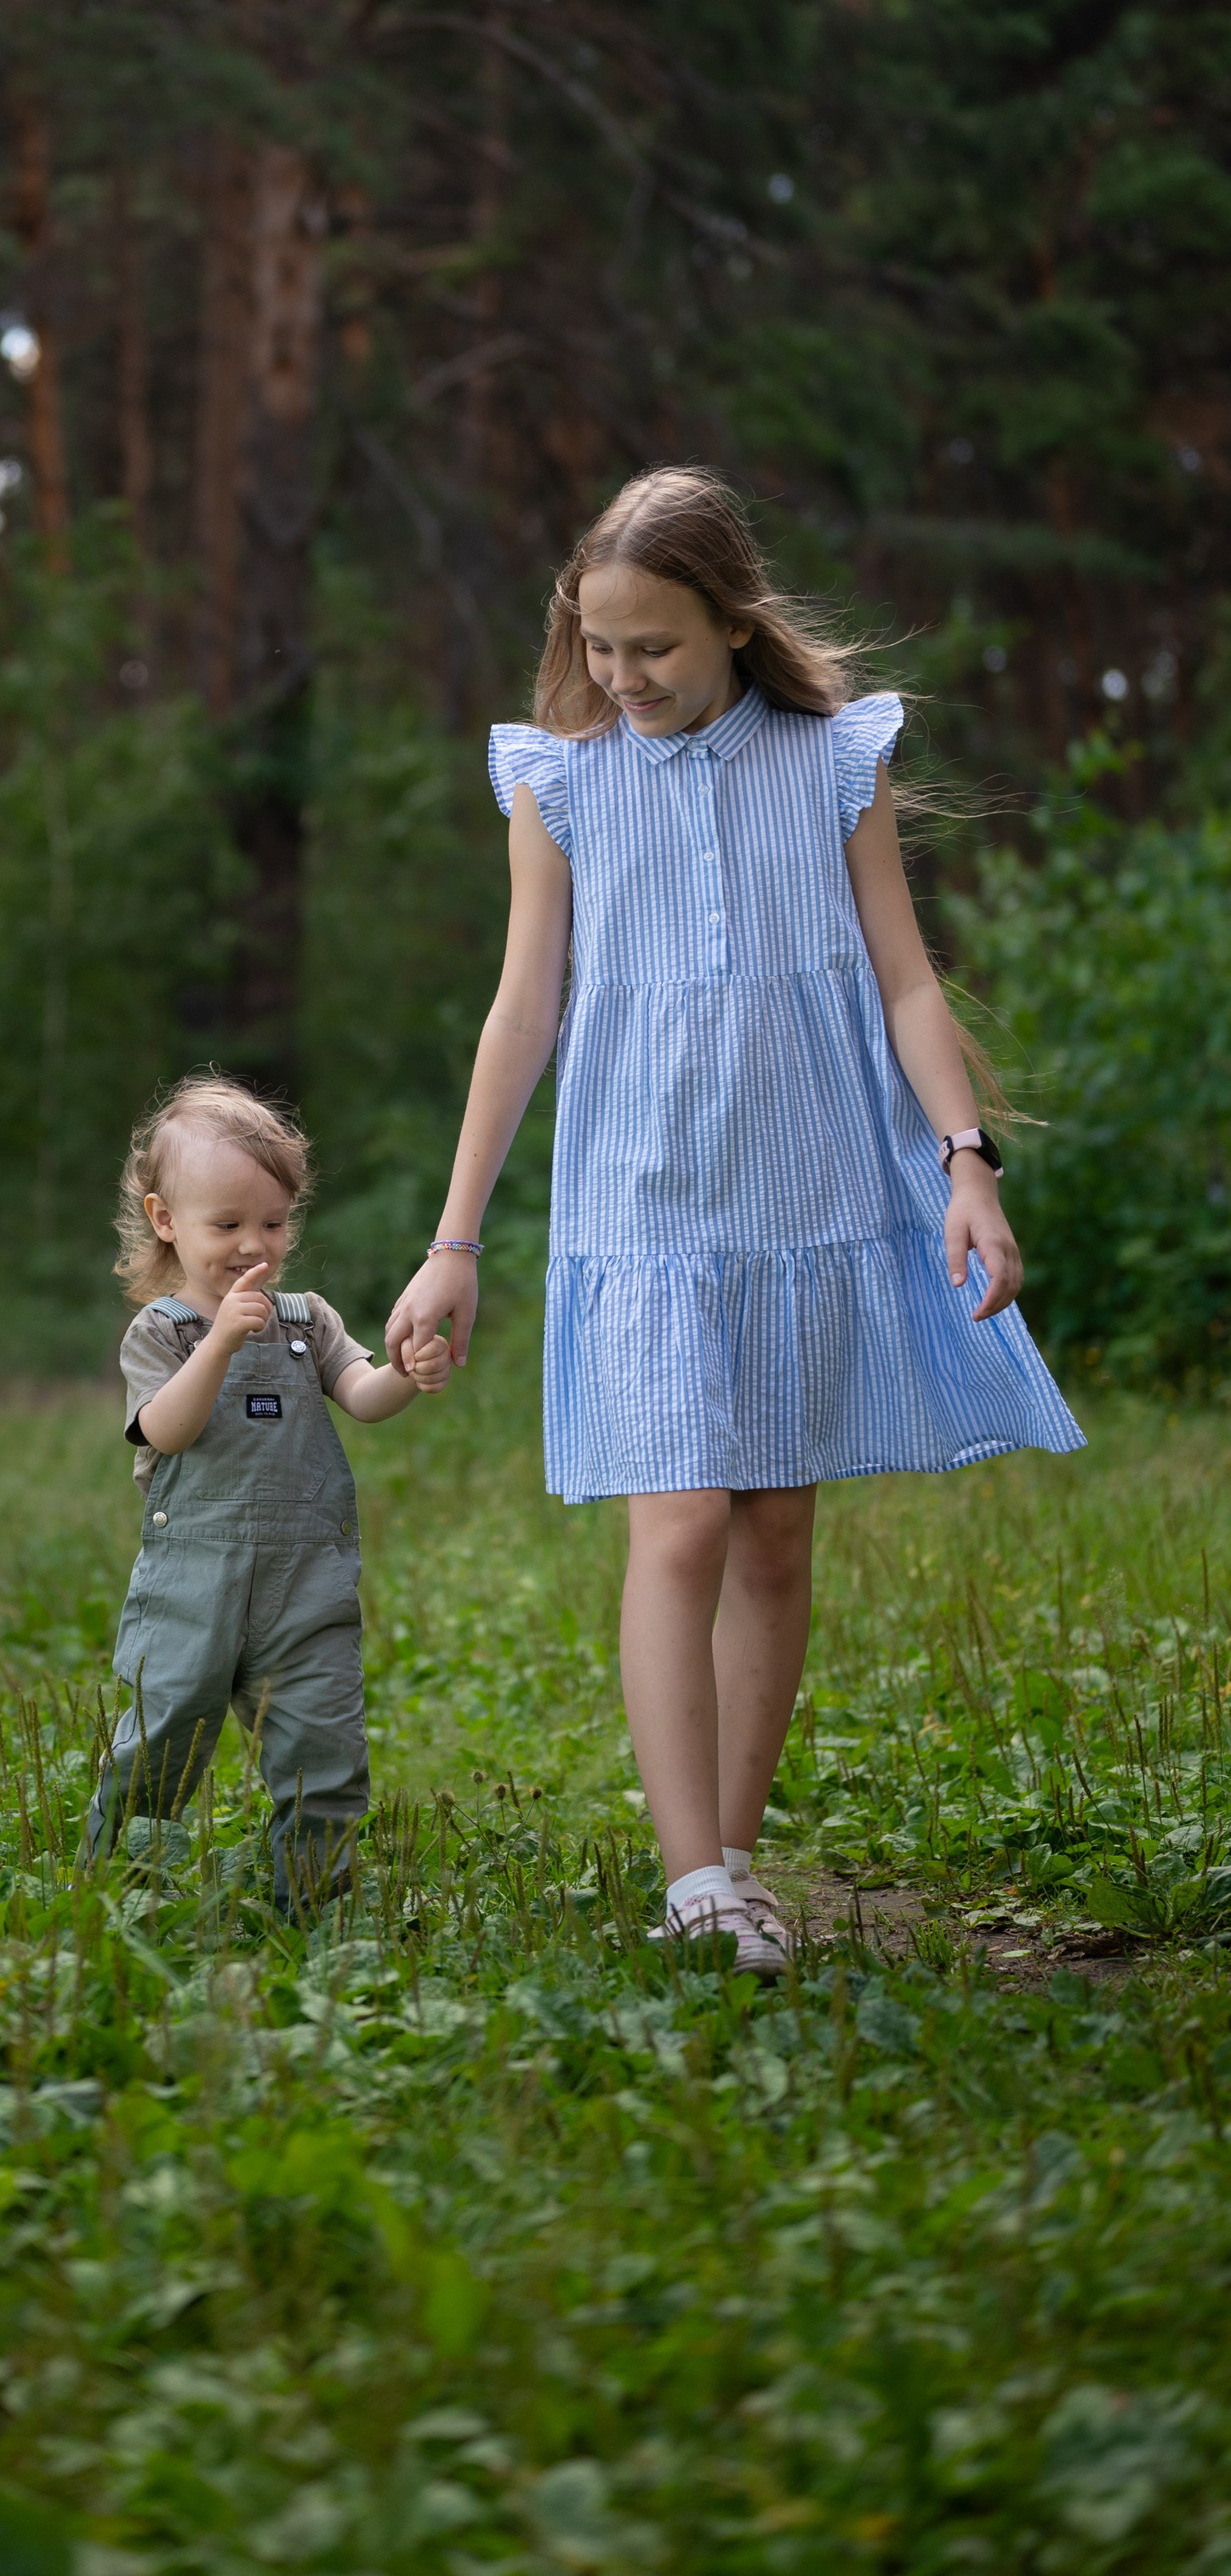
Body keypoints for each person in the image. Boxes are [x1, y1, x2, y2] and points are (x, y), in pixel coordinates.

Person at [384, 468, 1083, 1974]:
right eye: (600, 644)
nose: (622, 678)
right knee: (683, 1514)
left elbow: (904, 976)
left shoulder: (833, 758)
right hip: (642, 1205)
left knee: (773, 1528)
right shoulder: (562, 781)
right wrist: (455, 1238)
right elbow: (524, 1010)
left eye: (657, 648)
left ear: (733, 624)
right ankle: (690, 1873)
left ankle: (738, 1852)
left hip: (809, 1186)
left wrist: (965, 1160)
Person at [89, 1073, 455, 1911]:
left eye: (273, 1220)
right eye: (227, 1224)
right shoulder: (162, 1332)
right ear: (165, 1222)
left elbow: (360, 1394)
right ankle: (121, 1886)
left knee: (322, 1739)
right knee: (163, 1736)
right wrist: (218, 1344)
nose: (255, 1244)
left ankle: (314, 1900)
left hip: (303, 1581)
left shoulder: (307, 1319)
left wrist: (403, 1369)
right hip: (193, 1583)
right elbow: (166, 1428)